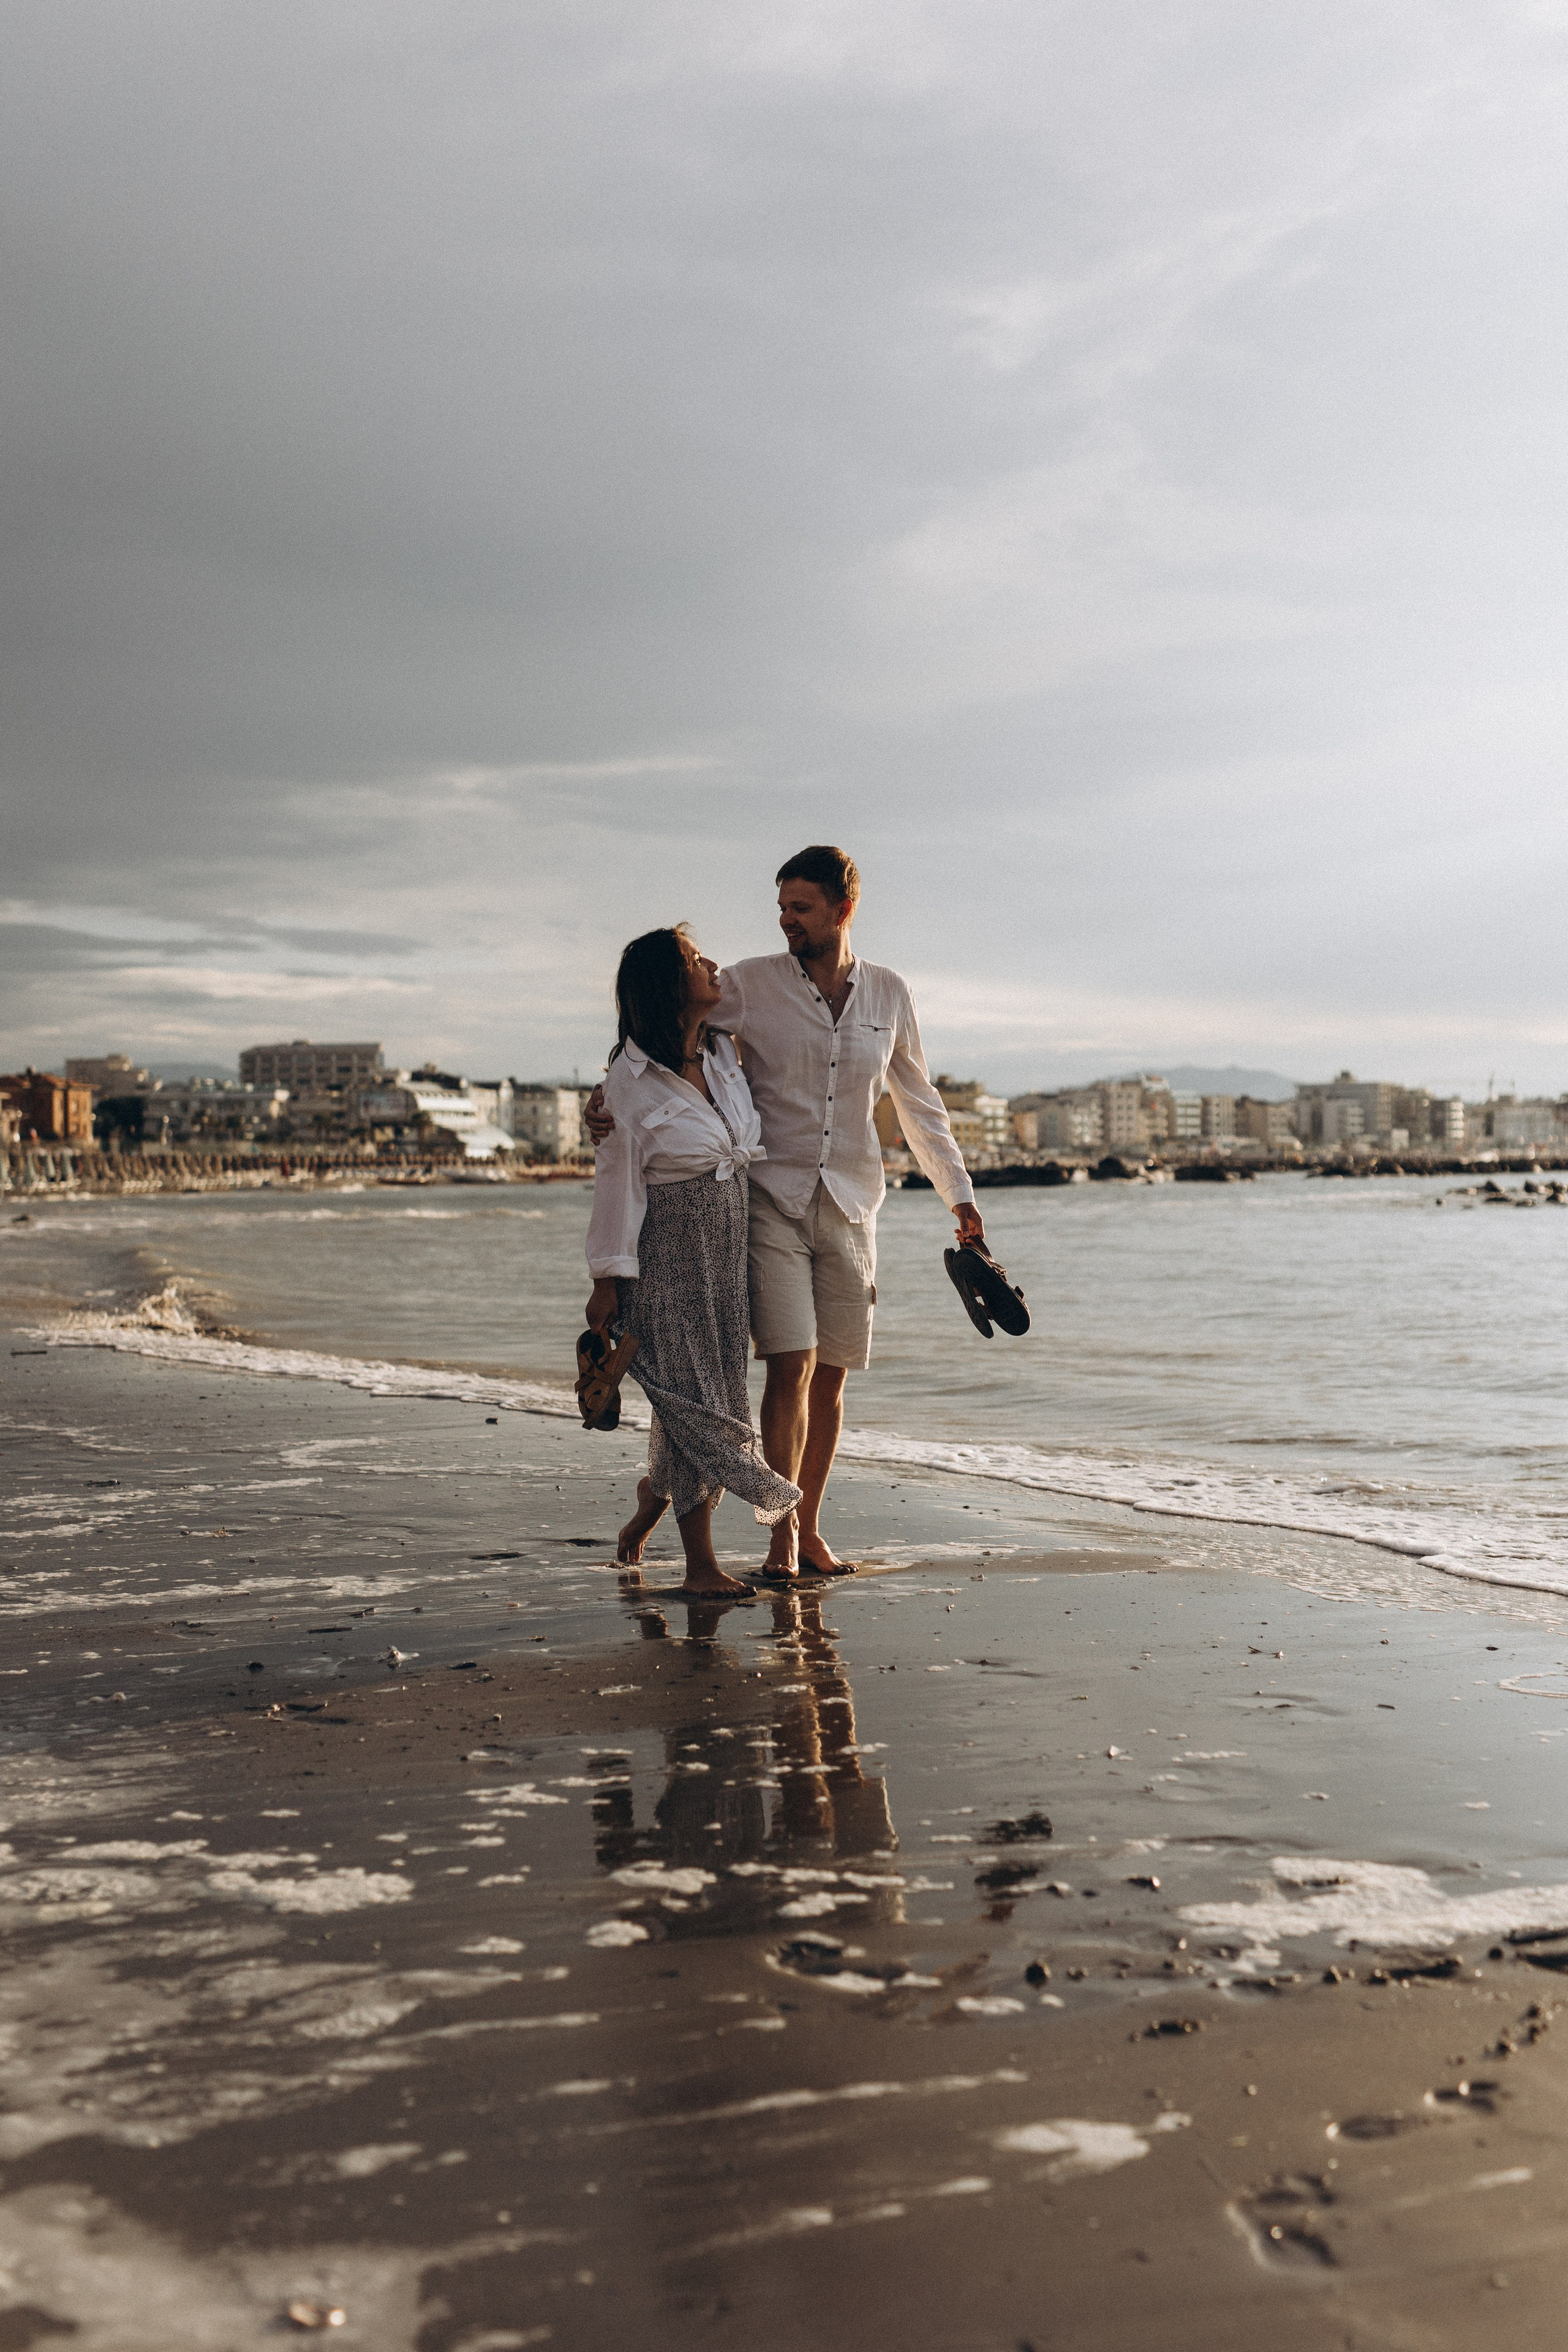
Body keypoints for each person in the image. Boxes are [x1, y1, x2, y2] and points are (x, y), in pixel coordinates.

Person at [587, 846, 982, 1582]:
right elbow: (661, 1024)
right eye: (781, 908)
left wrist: (959, 1197)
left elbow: (919, 1103)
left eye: (801, 908)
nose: (786, 921)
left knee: (831, 1375)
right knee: (790, 1366)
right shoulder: (748, 984)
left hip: (854, 1204)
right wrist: (605, 1097)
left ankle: (808, 1531)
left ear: (843, 910)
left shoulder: (890, 994)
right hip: (768, 1202)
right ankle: (779, 1536)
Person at [582, 924, 801, 1594]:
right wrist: (608, 1278)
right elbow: (616, 1183)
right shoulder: (627, 1081)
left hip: (727, 1245)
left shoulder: (723, 1055)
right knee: (696, 1403)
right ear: (663, 984)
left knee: (706, 1396)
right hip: (666, 1252)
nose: (711, 965)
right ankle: (716, 1554)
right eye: (691, 959)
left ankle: (646, 1513)